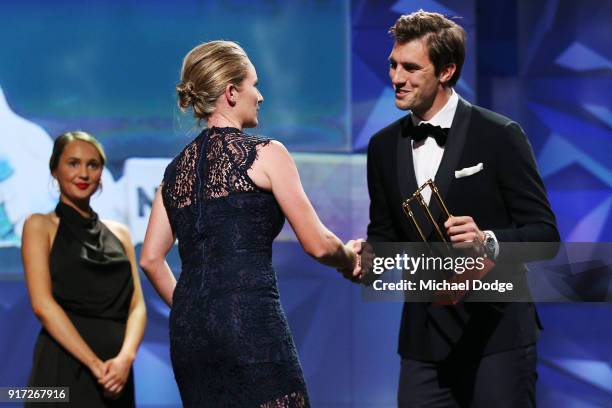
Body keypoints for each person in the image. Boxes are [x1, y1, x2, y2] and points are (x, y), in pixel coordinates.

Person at [139, 40, 360, 407]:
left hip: (190, 334)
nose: (259, 96)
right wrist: (350, 259)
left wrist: (192, 309)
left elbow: (150, 258)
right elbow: (318, 244)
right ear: (230, 92)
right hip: (249, 324)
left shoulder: (174, 171)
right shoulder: (267, 154)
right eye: (254, 85)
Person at [364, 11, 560, 407]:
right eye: (393, 64)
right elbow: (385, 241)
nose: (397, 78)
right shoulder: (382, 147)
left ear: (446, 71)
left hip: (497, 337)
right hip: (423, 344)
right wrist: (365, 261)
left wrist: (488, 241)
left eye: (411, 67)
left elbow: (545, 236)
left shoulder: (500, 135)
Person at [22, 131, 147, 407]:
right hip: (62, 368)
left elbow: (137, 305)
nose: (84, 173)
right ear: (55, 169)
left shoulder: (121, 233)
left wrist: (125, 358)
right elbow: (42, 305)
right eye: (73, 163)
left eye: (93, 165)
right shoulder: (39, 226)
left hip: (118, 374)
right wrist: (94, 364)